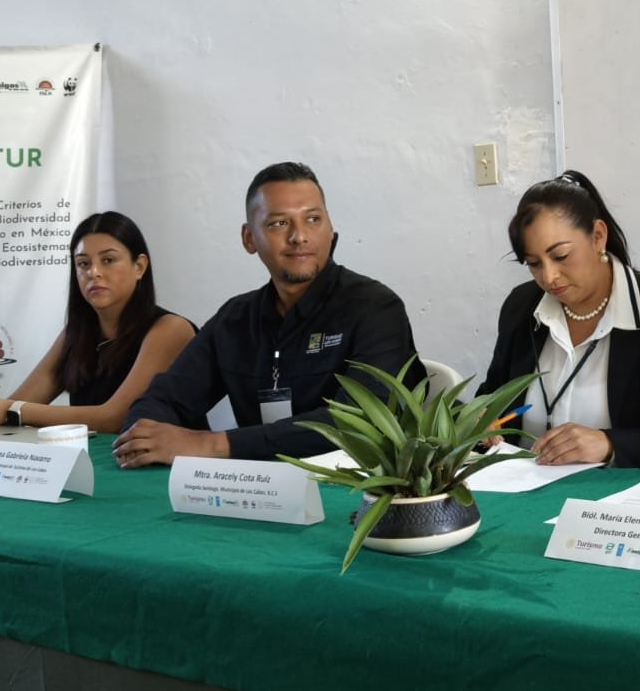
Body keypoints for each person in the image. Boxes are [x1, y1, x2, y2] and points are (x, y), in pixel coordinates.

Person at [114, 161, 425, 467]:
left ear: (331, 230)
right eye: (279, 223)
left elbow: (358, 422)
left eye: (313, 219)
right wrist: (146, 435)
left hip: (357, 487)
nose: (299, 236)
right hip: (257, 486)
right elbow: (163, 400)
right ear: (249, 238)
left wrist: (213, 444)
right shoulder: (235, 319)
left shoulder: (375, 307)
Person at [477, 171, 640, 472]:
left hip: (621, 498)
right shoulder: (522, 307)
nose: (549, 277)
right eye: (533, 264)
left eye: (561, 256)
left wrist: (610, 445)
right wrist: (478, 422)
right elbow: (489, 400)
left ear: (598, 236)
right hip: (523, 491)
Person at [0, 212, 196, 436]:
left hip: (165, 471)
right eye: (83, 264)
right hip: (99, 465)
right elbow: (19, 403)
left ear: (139, 266)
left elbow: (115, 418)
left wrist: (2, 409)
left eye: (108, 260)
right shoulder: (78, 333)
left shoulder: (170, 329)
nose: (94, 272)